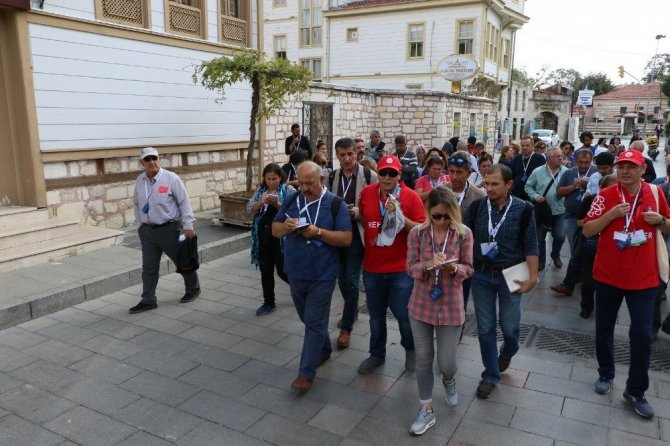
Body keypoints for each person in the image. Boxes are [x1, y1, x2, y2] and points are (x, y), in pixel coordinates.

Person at [583, 149, 670, 419]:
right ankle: (606, 374)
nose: (624, 171)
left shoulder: (655, 193)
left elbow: (668, 226)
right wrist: (610, 215)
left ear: (643, 170)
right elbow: (587, 229)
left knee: (641, 336)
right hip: (608, 276)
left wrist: (662, 221)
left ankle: (636, 390)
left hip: (645, 279)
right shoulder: (606, 194)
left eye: (631, 166)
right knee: (604, 328)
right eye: (621, 166)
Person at [272, 161, 352, 392]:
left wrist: (318, 232)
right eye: (301, 183)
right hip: (296, 271)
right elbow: (275, 230)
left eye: (309, 183)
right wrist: (286, 227)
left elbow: (346, 238)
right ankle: (324, 349)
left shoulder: (335, 204)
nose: (304, 188)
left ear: (322, 179)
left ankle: (305, 374)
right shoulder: (292, 199)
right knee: (307, 318)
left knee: (314, 322)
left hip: (323, 274)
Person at [465, 164, 539, 399]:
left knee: (510, 327)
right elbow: (464, 238)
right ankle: (490, 375)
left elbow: (531, 244)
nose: (489, 188)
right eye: (486, 183)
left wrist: (533, 276)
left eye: (494, 184)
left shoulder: (524, 209)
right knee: (485, 327)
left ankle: (508, 350)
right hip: (482, 275)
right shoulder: (476, 207)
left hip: (512, 273)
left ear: (509, 185)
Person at [406, 188, 474, 436]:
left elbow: (469, 268)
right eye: (437, 216)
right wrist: (427, 265)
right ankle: (426, 409)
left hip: (451, 305)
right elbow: (409, 268)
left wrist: (454, 269)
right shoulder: (417, 233)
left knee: (447, 362)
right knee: (423, 359)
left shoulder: (464, 234)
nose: (442, 221)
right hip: (421, 304)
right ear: (428, 212)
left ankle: (448, 379)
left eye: (447, 216)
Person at [358, 154, 426, 375]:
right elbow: (364, 219)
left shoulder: (411, 196)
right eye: (383, 173)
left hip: (400, 269)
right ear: (378, 174)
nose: (387, 178)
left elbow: (422, 230)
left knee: (404, 315)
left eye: (392, 174)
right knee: (376, 316)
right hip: (373, 267)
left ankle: (411, 350)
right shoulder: (367, 193)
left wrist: (400, 216)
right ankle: (376, 354)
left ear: (399, 175)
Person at [130, 147, 200, 314]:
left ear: (159, 159)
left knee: (183, 261)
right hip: (148, 232)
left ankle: (193, 289)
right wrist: (140, 225)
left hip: (170, 229)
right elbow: (137, 204)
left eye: (154, 158)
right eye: (147, 159)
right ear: (142, 163)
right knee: (149, 268)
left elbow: (184, 202)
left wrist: (188, 225)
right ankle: (148, 300)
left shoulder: (171, 178)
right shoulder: (140, 180)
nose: (152, 162)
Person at [326, 138, 378, 349]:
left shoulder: (369, 176)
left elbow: (377, 207)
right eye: (342, 155)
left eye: (350, 154)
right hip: (337, 235)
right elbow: (327, 204)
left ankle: (346, 328)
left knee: (352, 280)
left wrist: (357, 212)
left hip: (358, 234)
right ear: (337, 156)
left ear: (356, 153)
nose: (347, 159)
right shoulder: (332, 177)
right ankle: (352, 309)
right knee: (341, 278)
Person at [248, 163, 294, 316]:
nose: (271, 182)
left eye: (274, 179)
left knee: (283, 270)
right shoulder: (260, 191)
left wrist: (277, 204)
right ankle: (269, 302)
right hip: (262, 236)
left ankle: (301, 290)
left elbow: (294, 213)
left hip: (282, 237)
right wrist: (261, 202)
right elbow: (249, 209)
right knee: (265, 270)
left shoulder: (288, 190)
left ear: (280, 177)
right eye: (268, 179)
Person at [446, 152, 486, 316]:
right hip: (442, 254)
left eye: (459, 172)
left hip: (465, 256)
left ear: (469, 174)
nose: (454, 176)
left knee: (460, 299)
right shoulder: (440, 191)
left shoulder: (479, 196)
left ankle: (457, 328)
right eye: (451, 171)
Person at [550, 150, 595, 292]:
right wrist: (574, 186)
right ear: (575, 160)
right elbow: (559, 192)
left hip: (591, 218)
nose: (583, 165)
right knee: (574, 245)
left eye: (586, 162)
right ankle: (578, 274)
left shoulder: (596, 173)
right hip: (570, 216)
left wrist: (588, 186)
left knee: (586, 247)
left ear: (591, 161)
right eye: (580, 162)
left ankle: (581, 274)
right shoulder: (569, 173)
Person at [577, 174, 617, 319]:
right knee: (588, 278)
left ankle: (606, 309)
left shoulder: (623, 204)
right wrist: (599, 223)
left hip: (613, 245)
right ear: (601, 188)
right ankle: (586, 306)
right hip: (593, 242)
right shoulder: (591, 199)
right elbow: (579, 222)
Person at [525, 147, 568, 270]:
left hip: (560, 210)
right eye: (558, 156)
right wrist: (536, 196)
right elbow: (528, 187)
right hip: (542, 210)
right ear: (549, 158)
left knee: (560, 236)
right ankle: (540, 261)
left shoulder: (566, 172)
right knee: (539, 237)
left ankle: (555, 255)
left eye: (561, 156)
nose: (561, 158)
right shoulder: (537, 171)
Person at [510, 135, 545, 201]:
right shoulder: (517, 158)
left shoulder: (540, 159)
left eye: (527, 145)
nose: (524, 148)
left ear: (532, 146)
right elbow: (512, 175)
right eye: (522, 146)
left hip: (532, 196)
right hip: (517, 195)